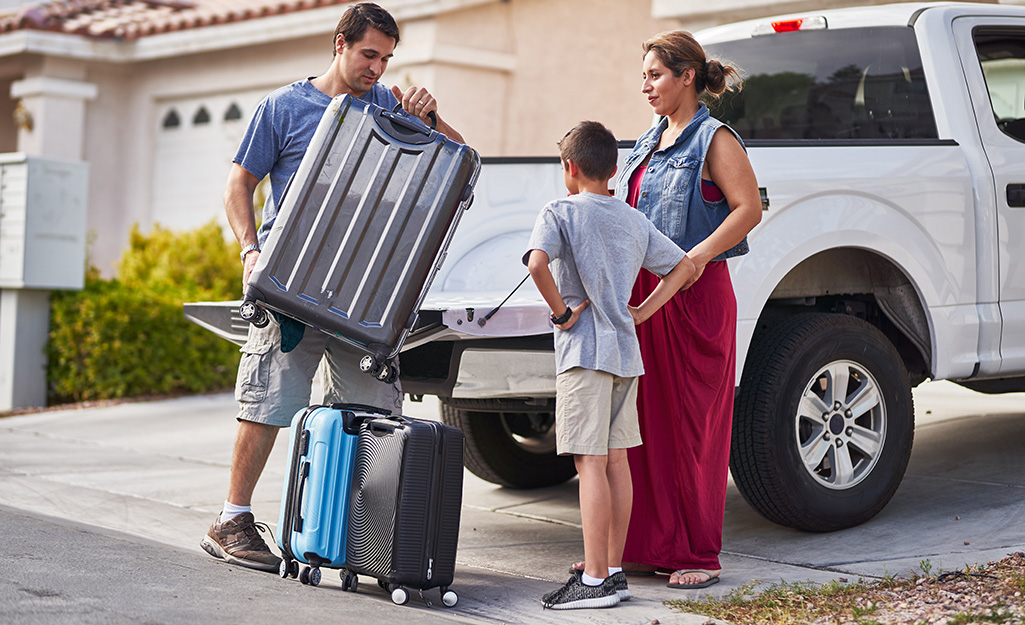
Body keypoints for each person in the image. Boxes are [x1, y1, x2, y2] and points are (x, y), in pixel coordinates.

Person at [200, 2, 464, 572]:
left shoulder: (392, 108)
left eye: (387, 59)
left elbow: (460, 161)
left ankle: (359, 536)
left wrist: (434, 116)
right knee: (269, 398)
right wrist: (250, 250)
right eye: (370, 54)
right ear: (339, 42)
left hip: (365, 292)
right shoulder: (284, 107)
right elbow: (238, 183)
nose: (378, 68)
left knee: (372, 413)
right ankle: (232, 519)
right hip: (290, 283)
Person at [606, 30, 762, 589]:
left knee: (694, 427)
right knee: (643, 424)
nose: (644, 85)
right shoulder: (647, 141)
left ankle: (697, 554)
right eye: (644, 76)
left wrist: (691, 261)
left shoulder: (714, 139)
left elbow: (748, 209)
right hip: (643, 296)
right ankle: (647, 546)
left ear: (687, 76)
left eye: (654, 75)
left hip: (695, 298)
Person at [525, 121, 696, 609]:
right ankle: (615, 570)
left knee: (590, 463)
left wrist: (561, 312)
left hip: (584, 356)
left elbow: (537, 265)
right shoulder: (632, 218)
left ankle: (595, 579)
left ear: (569, 168)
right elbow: (683, 267)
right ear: (614, 169)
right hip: (625, 355)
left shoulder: (559, 210)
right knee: (617, 461)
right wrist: (640, 311)